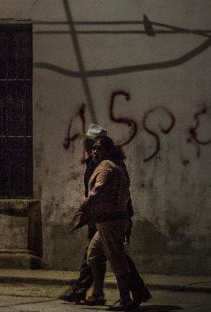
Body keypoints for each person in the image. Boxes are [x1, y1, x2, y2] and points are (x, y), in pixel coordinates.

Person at [59, 125, 148, 307]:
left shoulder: (106, 167)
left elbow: (97, 193)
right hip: (104, 217)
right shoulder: (103, 162)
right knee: (94, 254)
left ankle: (125, 298)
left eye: (96, 146)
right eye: (93, 147)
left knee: (116, 258)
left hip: (109, 218)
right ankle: (97, 292)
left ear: (106, 148)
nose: (92, 149)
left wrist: (82, 213)